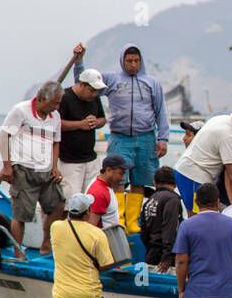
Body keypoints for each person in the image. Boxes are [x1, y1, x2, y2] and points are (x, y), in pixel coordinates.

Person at [71, 43, 169, 196]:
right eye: (129, 61)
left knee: (141, 180)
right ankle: (117, 217)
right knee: (116, 179)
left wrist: (163, 139)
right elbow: (84, 82)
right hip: (120, 138)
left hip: (146, 138)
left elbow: (160, 111)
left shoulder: (152, 83)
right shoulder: (111, 79)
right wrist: (79, 62)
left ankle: (132, 219)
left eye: (136, 61)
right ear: (122, 61)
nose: (133, 65)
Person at [0, 81, 65, 258]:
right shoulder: (21, 111)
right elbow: (4, 135)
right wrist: (7, 166)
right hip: (23, 169)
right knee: (21, 214)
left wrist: (55, 167)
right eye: (55, 103)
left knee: (58, 206)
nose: (57, 107)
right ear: (43, 99)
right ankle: (18, 251)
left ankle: (46, 244)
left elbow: (55, 143)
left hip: (46, 171)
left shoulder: (55, 116)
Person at [173, 184, 232, 298]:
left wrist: (181, 290)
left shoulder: (187, 225)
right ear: (218, 202)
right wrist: (231, 284)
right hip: (224, 292)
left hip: (196, 291)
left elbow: (181, 261)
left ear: (197, 202)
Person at [174, 106, 232, 214]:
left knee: (199, 216)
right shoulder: (229, 135)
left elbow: (228, 170)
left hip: (186, 171)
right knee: (198, 218)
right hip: (193, 176)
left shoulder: (221, 119)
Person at [50, 192, 113, 298]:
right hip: (89, 294)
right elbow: (106, 265)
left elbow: (60, 219)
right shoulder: (97, 234)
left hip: (64, 295)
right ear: (88, 212)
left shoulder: (56, 227)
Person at [57, 65, 107, 198]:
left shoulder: (94, 98)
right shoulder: (65, 97)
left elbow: (103, 119)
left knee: (92, 197)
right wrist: (80, 124)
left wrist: (96, 122)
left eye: (97, 91)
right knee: (71, 198)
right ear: (81, 85)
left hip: (91, 158)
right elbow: (56, 124)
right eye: (91, 90)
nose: (94, 94)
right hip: (69, 160)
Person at [140, 166, 182, 273]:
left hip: (150, 254)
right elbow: (170, 228)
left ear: (155, 183)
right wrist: (167, 255)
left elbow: (143, 232)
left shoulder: (149, 201)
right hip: (165, 259)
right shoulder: (172, 199)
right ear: (175, 183)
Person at [85, 154, 131, 229]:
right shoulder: (99, 192)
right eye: (121, 174)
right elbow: (92, 227)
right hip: (106, 238)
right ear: (108, 170)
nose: (123, 178)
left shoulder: (103, 184)